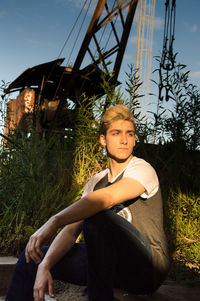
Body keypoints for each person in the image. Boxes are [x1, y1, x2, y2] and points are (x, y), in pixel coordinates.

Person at [6, 104, 170, 301]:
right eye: (116, 133)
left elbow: (106, 199)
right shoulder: (96, 181)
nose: (124, 140)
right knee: (31, 258)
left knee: (96, 217)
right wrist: (45, 265)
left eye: (130, 134)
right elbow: (69, 232)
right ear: (103, 139)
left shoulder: (143, 169)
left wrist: (54, 220)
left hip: (145, 268)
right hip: (108, 265)